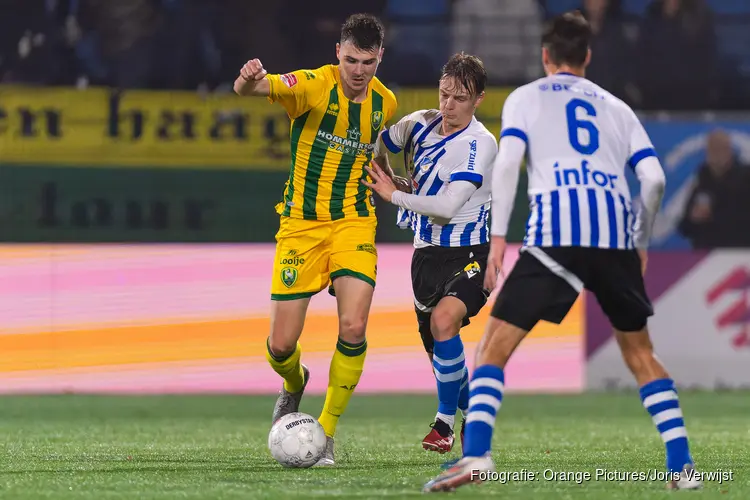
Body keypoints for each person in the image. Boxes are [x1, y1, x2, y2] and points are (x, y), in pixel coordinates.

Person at [423, 11, 702, 492]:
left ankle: (476, 457)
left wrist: (500, 239)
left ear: (545, 57)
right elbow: (654, 179)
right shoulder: (617, 107)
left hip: (556, 235)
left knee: (493, 348)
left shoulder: (526, 98)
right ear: (588, 57)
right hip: (614, 235)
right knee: (640, 354)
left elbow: (509, 162)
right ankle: (682, 466)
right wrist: (639, 243)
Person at [233, 13, 398, 467]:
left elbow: (372, 153)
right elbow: (253, 90)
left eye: (367, 61)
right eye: (350, 60)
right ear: (337, 54)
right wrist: (249, 80)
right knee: (281, 345)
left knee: (354, 327)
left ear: (380, 56)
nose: (358, 70)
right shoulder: (311, 85)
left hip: (353, 223)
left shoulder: (385, 102)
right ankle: (293, 382)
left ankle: (324, 432)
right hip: (301, 227)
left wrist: (392, 181)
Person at [364, 53, 497, 456]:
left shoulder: (479, 144)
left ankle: (442, 426)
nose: (448, 106)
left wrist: (395, 195)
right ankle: (472, 416)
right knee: (443, 356)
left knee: (444, 321)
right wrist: (388, 170)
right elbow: (378, 141)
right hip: (425, 256)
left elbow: (448, 206)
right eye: (444, 95)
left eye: (460, 98)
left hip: (469, 253)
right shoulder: (418, 124)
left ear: (479, 100)